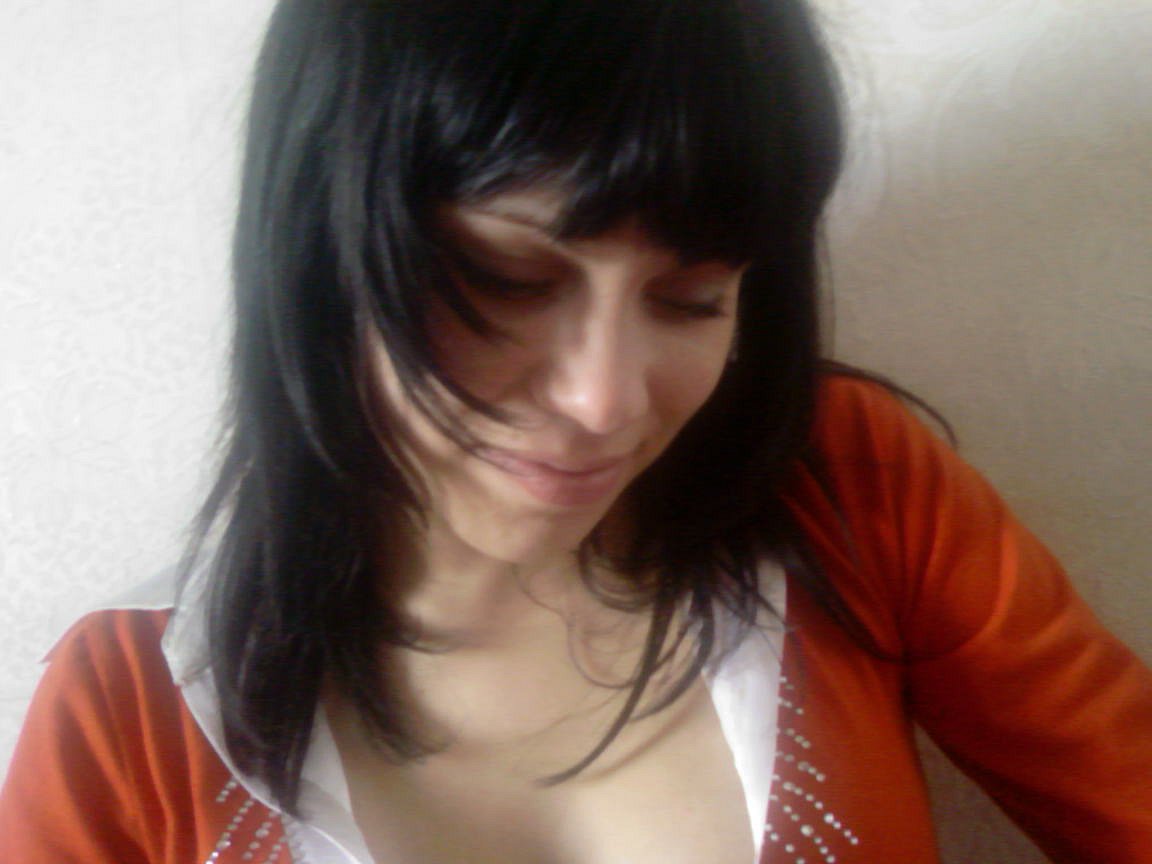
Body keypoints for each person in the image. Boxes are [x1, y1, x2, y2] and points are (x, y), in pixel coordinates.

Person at [2, 0, 1151, 861]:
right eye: (506, 280)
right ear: (317, 247)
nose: (607, 402)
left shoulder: (850, 487)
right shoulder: (128, 716)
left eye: (691, 298)